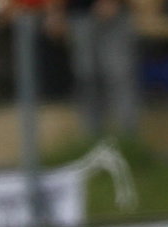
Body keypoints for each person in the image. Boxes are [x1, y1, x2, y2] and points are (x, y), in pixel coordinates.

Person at [49, 0, 138, 137]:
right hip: (79, 15)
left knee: (118, 76)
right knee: (87, 79)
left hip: (114, 15)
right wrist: (56, 11)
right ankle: (92, 142)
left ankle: (128, 142)